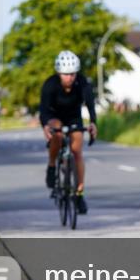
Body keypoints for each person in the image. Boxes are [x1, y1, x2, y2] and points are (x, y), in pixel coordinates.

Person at [40, 50, 97, 214]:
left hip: (73, 118)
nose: (69, 78)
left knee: (77, 150)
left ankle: (79, 193)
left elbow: (90, 103)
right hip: (54, 116)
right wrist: (45, 126)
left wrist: (93, 123)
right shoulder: (50, 84)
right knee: (57, 133)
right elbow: (43, 109)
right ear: (59, 73)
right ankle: (52, 165)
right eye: (65, 74)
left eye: (72, 74)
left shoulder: (81, 82)